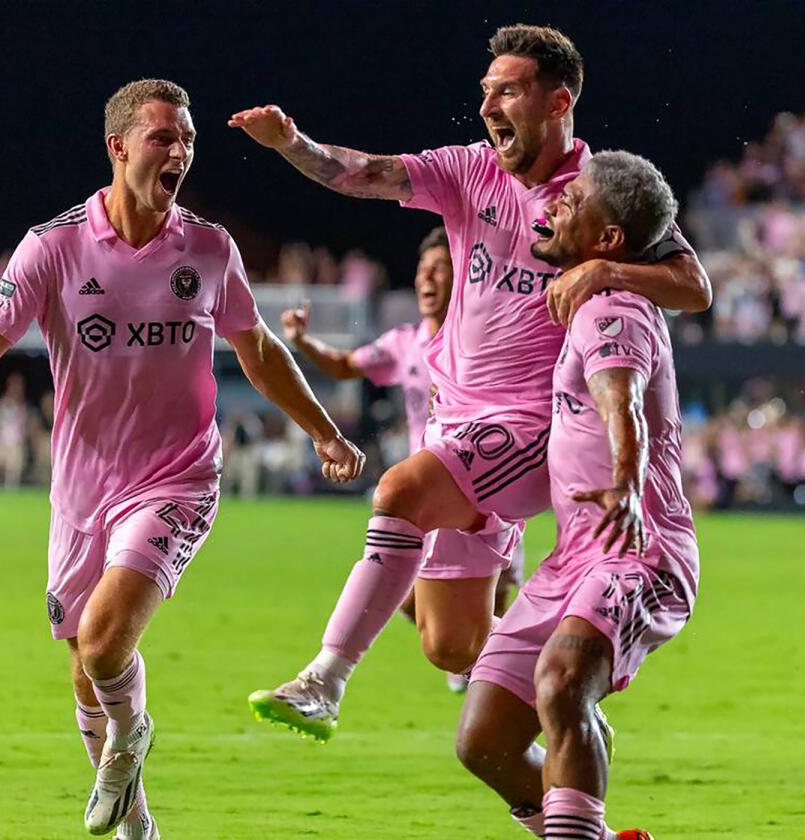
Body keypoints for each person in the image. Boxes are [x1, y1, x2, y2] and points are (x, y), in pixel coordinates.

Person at [0, 78, 365, 839]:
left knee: (105, 641)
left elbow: (259, 350)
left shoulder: (208, 247)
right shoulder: (54, 246)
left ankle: (133, 737)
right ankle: (138, 823)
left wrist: (323, 431)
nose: (181, 151)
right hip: (81, 488)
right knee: (84, 666)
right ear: (119, 147)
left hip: (178, 476)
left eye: (189, 140)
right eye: (165, 137)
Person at [231, 24, 709, 742]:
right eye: (485, 91)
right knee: (449, 644)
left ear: (557, 102)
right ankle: (564, 718)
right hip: (454, 423)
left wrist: (606, 268)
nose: (490, 104)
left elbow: (693, 286)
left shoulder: (593, 193)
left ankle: (323, 681)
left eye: (508, 90)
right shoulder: (469, 172)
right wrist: (293, 145)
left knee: (396, 492)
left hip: (527, 428)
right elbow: (363, 171)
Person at [457, 150, 698, 840]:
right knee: (484, 741)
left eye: (576, 198)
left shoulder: (612, 305)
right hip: (573, 555)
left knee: (563, 684)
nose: (557, 201)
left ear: (610, 240)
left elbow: (620, 400)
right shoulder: (589, 293)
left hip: (635, 548)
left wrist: (626, 480)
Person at [276, 227, 524, 695]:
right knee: (418, 607)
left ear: (466, 277)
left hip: (475, 489)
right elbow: (346, 365)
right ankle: (504, 667)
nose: (427, 279)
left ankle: (529, 677)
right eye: (422, 270)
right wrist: (303, 342)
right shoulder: (405, 342)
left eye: (440, 269)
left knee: (481, 606)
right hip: (422, 489)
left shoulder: (484, 341)